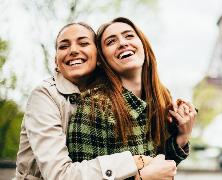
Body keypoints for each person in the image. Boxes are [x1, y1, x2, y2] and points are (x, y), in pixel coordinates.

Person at [15, 22, 176, 180]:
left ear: (99, 57)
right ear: (56, 61)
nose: (73, 50)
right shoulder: (44, 96)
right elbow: (60, 175)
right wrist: (135, 164)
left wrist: (180, 136)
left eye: (83, 43)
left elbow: (161, 169)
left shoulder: (113, 97)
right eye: (63, 46)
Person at [66, 17, 197, 180]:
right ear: (102, 60)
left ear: (143, 44)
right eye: (111, 41)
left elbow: (161, 169)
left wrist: (182, 137)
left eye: (129, 36)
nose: (122, 43)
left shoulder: (161, 99)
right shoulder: (93, 106)